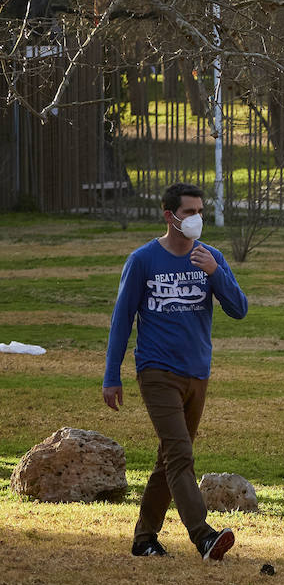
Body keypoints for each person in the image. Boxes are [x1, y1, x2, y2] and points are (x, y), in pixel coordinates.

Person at [102, 182, 248, 561]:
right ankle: (203, 536)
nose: (197, 218)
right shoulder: (143, 260)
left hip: (197, 374)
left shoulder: (209, 257)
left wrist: (216, 273)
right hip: (157, 371)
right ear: (170, 216)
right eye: (189, 212)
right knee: (181, 455)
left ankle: (144, 538)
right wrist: (111, 375)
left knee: (168, 458)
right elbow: (122, 321)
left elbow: (239, 308)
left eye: (200, 211)